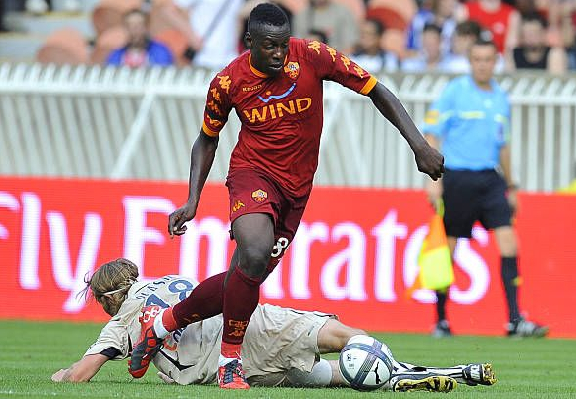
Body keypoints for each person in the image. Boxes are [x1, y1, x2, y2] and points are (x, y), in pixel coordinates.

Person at [128, 2, 444, 390]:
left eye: (282, 44)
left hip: (297, 188)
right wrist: (192, 200)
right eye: (269, 46)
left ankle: (160, 323)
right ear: (249, 42)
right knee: (255, 253)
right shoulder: (229, 81)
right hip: (252, 174)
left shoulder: (311, 55)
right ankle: (231, 362)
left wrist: (419, 146)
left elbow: (377, 91)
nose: (279, 53)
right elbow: (207, 139)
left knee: (244, 277)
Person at [51, 258, 497, 393]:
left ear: (110, 297)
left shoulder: (120, 322)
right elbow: (218, 289)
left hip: (223, 368)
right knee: (338, 337)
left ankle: (388, 377)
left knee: (332, 379)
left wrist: (61, 375)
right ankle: (403, 368)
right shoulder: (168, 280)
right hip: (248, 325)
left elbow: (83, 374)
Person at [422, 38, 548, 339]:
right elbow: (432, 135)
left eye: (488, 59)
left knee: (509, 244)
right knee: (449, 249)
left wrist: (511, 185)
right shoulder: (455, 92)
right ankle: (440, 320)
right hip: (458, 177)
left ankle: (515, 320)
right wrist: (432, 180)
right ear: (470, 61)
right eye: (477, 59)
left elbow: (503, 145)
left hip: (491, 179)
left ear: (496, 61)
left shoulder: (501, 98)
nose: (482, 64)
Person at [157, 0, 244, 69]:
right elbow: (167, 9)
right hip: (204, 60)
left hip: (231, 60)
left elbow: (237, 17)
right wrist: (191, 36)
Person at [105, 9, 174, 68]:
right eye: (130, 25)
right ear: (125, 29)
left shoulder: (160, 52)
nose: (135, 29)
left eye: (139, 25)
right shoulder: (116, 56)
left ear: (147, 27)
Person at [456, 0, 521, 55]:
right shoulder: (464, 10)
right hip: (469, 60)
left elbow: (510, 50)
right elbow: (460, 46)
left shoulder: (512, 14)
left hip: (499, 61)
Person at [293, 0, 359, 53]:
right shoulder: (302, 15)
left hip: (337, 58)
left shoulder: (343, 12)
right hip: (309, 59)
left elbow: (350, 45)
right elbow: (297, 46)